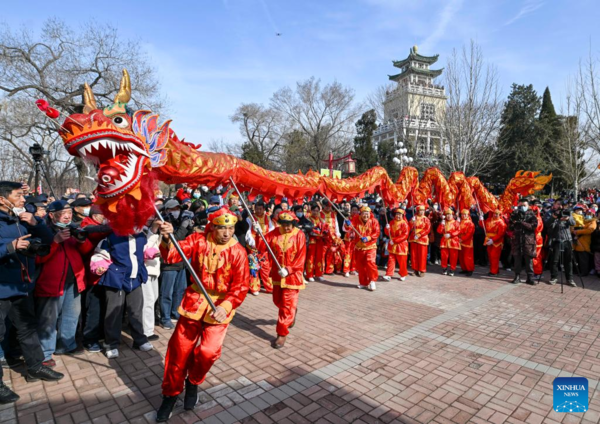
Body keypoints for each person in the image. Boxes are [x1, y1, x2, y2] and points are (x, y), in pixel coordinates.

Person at [156, 207, 249, 421]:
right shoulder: (198, 240)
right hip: (193, 304)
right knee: (179, 353)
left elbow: (240, 286)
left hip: (220, 309)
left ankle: (193, 381)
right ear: (212, 227)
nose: (227, 232)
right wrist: (168, 237)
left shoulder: (238, 252)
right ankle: (170, 394)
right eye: (222, 228)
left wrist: (226, 306)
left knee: (208, 352)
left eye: (230, 227)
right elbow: (172, 256)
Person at [0, 181, 64, 404]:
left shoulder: (21, 218)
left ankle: (36, 367)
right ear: (2, 199)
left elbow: (47, 240)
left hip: (22, 285)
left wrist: (36, 223)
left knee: (27, 329)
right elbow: (10, 247)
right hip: (2, 288)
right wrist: (10, 247)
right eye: (18, 196)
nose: (22, 200)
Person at [35, 200, 94, 367]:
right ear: (52, 215)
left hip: (74, 280)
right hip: (51, 283)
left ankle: (67, 345)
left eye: (68, 212)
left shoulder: (73, 229)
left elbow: (86, 250)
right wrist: (55, 241)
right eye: (62, 213)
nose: (67, 216)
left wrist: (82, 240)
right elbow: (39, 258)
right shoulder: (43, 231)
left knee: (71, 315)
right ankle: (45, 353)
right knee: (48, 320)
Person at [90, 230, 154, 358]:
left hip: (135, 279)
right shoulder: (111, 237)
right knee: (114, 313)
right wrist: (99, 266)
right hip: (116, 279)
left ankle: (139, 340)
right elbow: (100, 254)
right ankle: (111, 344)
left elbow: (146, 249)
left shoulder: (141, 236)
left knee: (136, 311)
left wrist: (151, 252)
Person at [257, 212, 306, 349]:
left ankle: (281, 333)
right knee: (278, 301)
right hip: (278, 275)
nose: (286, 228)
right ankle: (292, 312)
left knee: (286, 306)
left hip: (292, 276)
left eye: (288, 225)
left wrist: (290, 269)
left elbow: (301, 258)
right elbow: (262, 247)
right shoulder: (273, 234)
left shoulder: (299, 235)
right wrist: (259, 233)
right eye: (283, 225)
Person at [159, 199, 193, 329]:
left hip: (181, 262)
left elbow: (187, 239)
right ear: (167, 210)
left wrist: (189, 225)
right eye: (172, 209)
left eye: (177, 209)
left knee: (179, 291)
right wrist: (183, 227)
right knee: (166, 292)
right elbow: (175, 239)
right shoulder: (164, 223)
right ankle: (165, 318)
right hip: (168, 264)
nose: (176, 212)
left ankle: (175, 313)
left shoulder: (181, 220)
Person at [245, 201, 275, 295]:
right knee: (254, 267)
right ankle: (254, 288)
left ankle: (270, 287)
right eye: (257, 209)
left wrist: (269, 241)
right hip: (253, 246)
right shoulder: (250, 218)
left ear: (263, 209)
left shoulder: (268, 218)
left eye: (260, 209)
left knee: (265, 267)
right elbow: (248, 232)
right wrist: (252, 243)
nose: (258, 210)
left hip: (264, 246)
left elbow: (271, 230)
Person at [508, 199, 538, 285]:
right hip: (517, 240)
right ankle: (517, 276)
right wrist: (514, 222)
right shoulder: (514, 214)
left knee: (529, 260)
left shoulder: (532, 214)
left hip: (528, 241)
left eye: (524, 205)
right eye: (521, 205)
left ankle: (530, 277)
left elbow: (533, 226)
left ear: (528, 206)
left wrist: (522, 222)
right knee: (517, 259)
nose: (522, 207)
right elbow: (510, 227)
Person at [545, 208, 576, 286]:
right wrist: (554, 217)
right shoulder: (555, 217)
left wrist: (567, 218)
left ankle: (569, 279)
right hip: (556, 240)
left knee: (568, 261)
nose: (562, 214)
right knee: (554, 261)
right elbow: (547, 224)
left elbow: (573, 223)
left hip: (567, 240)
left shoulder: (568, 214)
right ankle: (554, 278)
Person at [353, 206, 380, 291]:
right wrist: (347, 224)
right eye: (364, 213)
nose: (366, 215)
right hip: (360, 246)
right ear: (360, 214)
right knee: (361, 265)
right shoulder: (356, 220)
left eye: (367, 213)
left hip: (370, 246)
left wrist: (368, 238)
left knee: (370, 262)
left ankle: (372, 281)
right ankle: (363, 283)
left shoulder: (374, 221)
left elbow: (377, 232)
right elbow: (348, 229)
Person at [383, 208, 409, 281]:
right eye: (397, 214)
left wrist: (394, 240)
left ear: (402, 215)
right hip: (392, 244)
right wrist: (386, 228)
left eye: (400, 214)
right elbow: (387, 233)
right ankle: (388, 274)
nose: (398, 216)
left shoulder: (404, 224)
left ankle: (403, 274)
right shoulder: (391, 222)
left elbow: (405, 235)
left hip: (401, 245)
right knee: (391, 260)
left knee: (402, 261)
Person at [572, 205, 596, 276]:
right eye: (587, 213)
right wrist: (574, 231)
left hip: (584, 242)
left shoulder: (593, 221)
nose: (588, 215)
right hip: (576, 242)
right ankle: (576, 271)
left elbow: (590, 230)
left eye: (590, 214)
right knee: (576, 258)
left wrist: (578, 232)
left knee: (583, 259)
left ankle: (584, 272)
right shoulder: (582, 220)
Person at [306, 203, 326, 282]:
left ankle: (318, 274)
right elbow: (309, 230)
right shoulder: (308, 219)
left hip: (320, 241)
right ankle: (309, 274)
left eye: (317, 211)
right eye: (314, 210)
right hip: (312, 241)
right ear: (311, 211)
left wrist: (325, 233)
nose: (315, 212)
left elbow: (325, 228)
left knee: (319, 257)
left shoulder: (321, 219)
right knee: (310, 258)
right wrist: (316, 232)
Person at [409, 205, 431, 277]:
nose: (421, 212)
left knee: (422, 255)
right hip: (414, 237)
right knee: (414, 254)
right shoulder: (414, 218)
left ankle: (422, 270)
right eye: (420, 210)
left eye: (423, 210)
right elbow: (409, 227)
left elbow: (427, 229)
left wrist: (419, 234)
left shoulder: (426, 219)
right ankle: (415, 269)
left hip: (422, 238)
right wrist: (411, 222)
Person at [437, 208, 460, 276]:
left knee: (453, 256)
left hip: (453, 241)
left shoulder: (456, 222)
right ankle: (444, 268)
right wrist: (441, 224)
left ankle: (452, 269)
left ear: (452, 215)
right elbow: (439, 231)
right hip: (444, 241)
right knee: (444, 255)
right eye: (447, 214)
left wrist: (451, 234)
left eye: (449, 214)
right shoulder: (444, 222)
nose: (448, 216)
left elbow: (458, 231)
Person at [321, 200, 341, 275]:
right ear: (323, 206)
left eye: (329, 206)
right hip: (323, 237)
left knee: (331, 253)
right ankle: (321, 270)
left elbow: (336, 224)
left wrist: (337, 235)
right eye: (326, 206)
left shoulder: (333, 214)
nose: (328, 207)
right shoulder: (320, 214)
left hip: (332, 237)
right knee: (322, 254)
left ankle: (329, 270)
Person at [484, 209, 507, 276]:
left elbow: (500, 234)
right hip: (488, 240)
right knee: (490, 256)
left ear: (500, 215)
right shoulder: (489, 220)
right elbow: (483, 225)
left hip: (497, 242)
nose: (495, 215)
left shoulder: (501, 223)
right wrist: (481, 219)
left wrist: (493, 240)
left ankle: (494, 272)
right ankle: (494, 270)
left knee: (494, 257)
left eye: (497, 214)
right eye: (494, 213)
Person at [342, 204, 359, 277]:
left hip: (356, 239)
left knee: (355, 255)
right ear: (351, 211)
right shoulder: (347, 218)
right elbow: (343, 228)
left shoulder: (360, 219)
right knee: (348, 254)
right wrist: (347, 225)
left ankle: (353, 269)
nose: (354, 211)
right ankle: (346, 270)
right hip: (349, 239)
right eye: (353, 210)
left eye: (356, 210)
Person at [458, 209, 475, 276]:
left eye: (465, 214)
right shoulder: (460, 222)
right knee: (461, 256)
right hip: (460, 240)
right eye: (462, 214)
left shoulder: (470, 223)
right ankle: (464, 268)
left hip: (467, 241)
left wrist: (462, 239)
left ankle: (470, 269)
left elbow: (469, 233)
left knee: (467, 256)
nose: (463, 215)